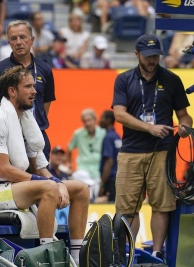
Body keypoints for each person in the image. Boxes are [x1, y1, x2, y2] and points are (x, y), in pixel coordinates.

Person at [0, 66, 89, 265]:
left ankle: (77, 258)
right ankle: (48, 256)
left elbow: (40, 168)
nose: (35, 91)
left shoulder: (25, 119)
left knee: (81, 189)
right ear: (12, 91)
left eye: (34, 85)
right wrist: (51, 184)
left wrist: (58, 182)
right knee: (48, 188)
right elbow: (4, 171)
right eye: (28, 86)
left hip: (12, 186)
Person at [112, 34, 193, 260]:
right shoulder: (124, 79)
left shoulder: (172, 79)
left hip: (163, 151)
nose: (152, 60)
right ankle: (127, 254)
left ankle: (157, 254)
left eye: (156, 56)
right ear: (136, 55)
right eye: (148, 56)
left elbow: (185, 116)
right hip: (131, 150)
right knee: (127, 208)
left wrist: (185, 127)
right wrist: (150, 128)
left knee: (162, 204)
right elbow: (119, 114)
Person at [0, 20, 56, 160]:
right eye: (13, 38)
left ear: (32, 40)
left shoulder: (45, 69)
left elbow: (45, 106)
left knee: (43, 180)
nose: (18, 42)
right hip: (8, 138)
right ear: (9, 42)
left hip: (38, 135)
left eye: (23, 37)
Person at [67, 108, 106, 200]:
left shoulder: (103, 133)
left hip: (98, 170)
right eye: (85, 121)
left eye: (89, 120)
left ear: (95, 120)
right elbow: (69, 148)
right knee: (77, 176)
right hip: (83, 170)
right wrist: (69, 165)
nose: (87, 123)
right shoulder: (78, 134)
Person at [98, 110, 121, 202]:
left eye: (102, 118)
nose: (99, 121)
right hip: (118, 177)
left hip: (111, 180)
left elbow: (109, 162)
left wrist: (102, 184)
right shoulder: (117, 136)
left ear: (108, 120)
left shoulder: (108, 137)